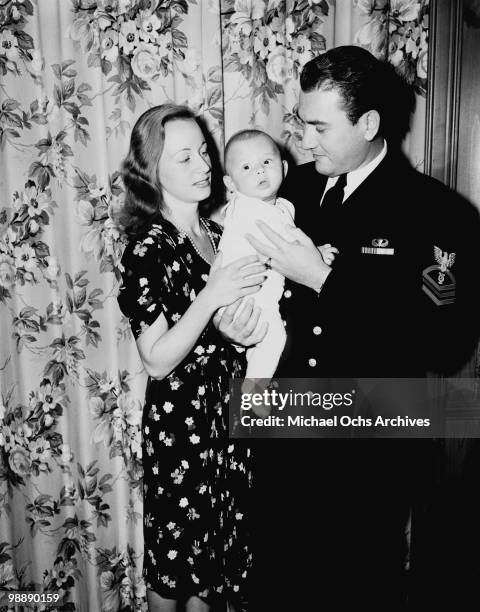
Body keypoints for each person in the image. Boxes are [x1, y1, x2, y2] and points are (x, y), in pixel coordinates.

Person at [215, 46, 480, 610]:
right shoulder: (288, 195)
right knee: (274, 583)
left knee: (356, 586)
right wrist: (239, 328)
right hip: (281, 427)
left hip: (368, 443)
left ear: (368, 124)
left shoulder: (438, 213)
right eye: (301, 123)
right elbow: (262, 295)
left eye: (318, 127)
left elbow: (448, 342)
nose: (303, 142)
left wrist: (324, 280)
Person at [116, 104, 268, 612]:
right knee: (174, 574)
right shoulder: (147, 247)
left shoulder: (221, 234)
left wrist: (241, 334)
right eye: (184, 158)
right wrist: (211, 296)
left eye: (203, 152)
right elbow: (156, 360)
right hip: (181, 429)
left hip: (230, 418)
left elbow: (233, 332)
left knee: (212, 576)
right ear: (151, 171)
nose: (204, 166)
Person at [218, 128, 336, 387]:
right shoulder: (248, 209)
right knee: (274, 340)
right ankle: (252, 392)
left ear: (283, 167)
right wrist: (317, 254)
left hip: (259, 295)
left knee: (263, 347)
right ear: (230, 184)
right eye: (247, 167)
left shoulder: (280, 205)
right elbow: (282, 244)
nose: (259, 171)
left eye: (267, 162)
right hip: (249, 298)